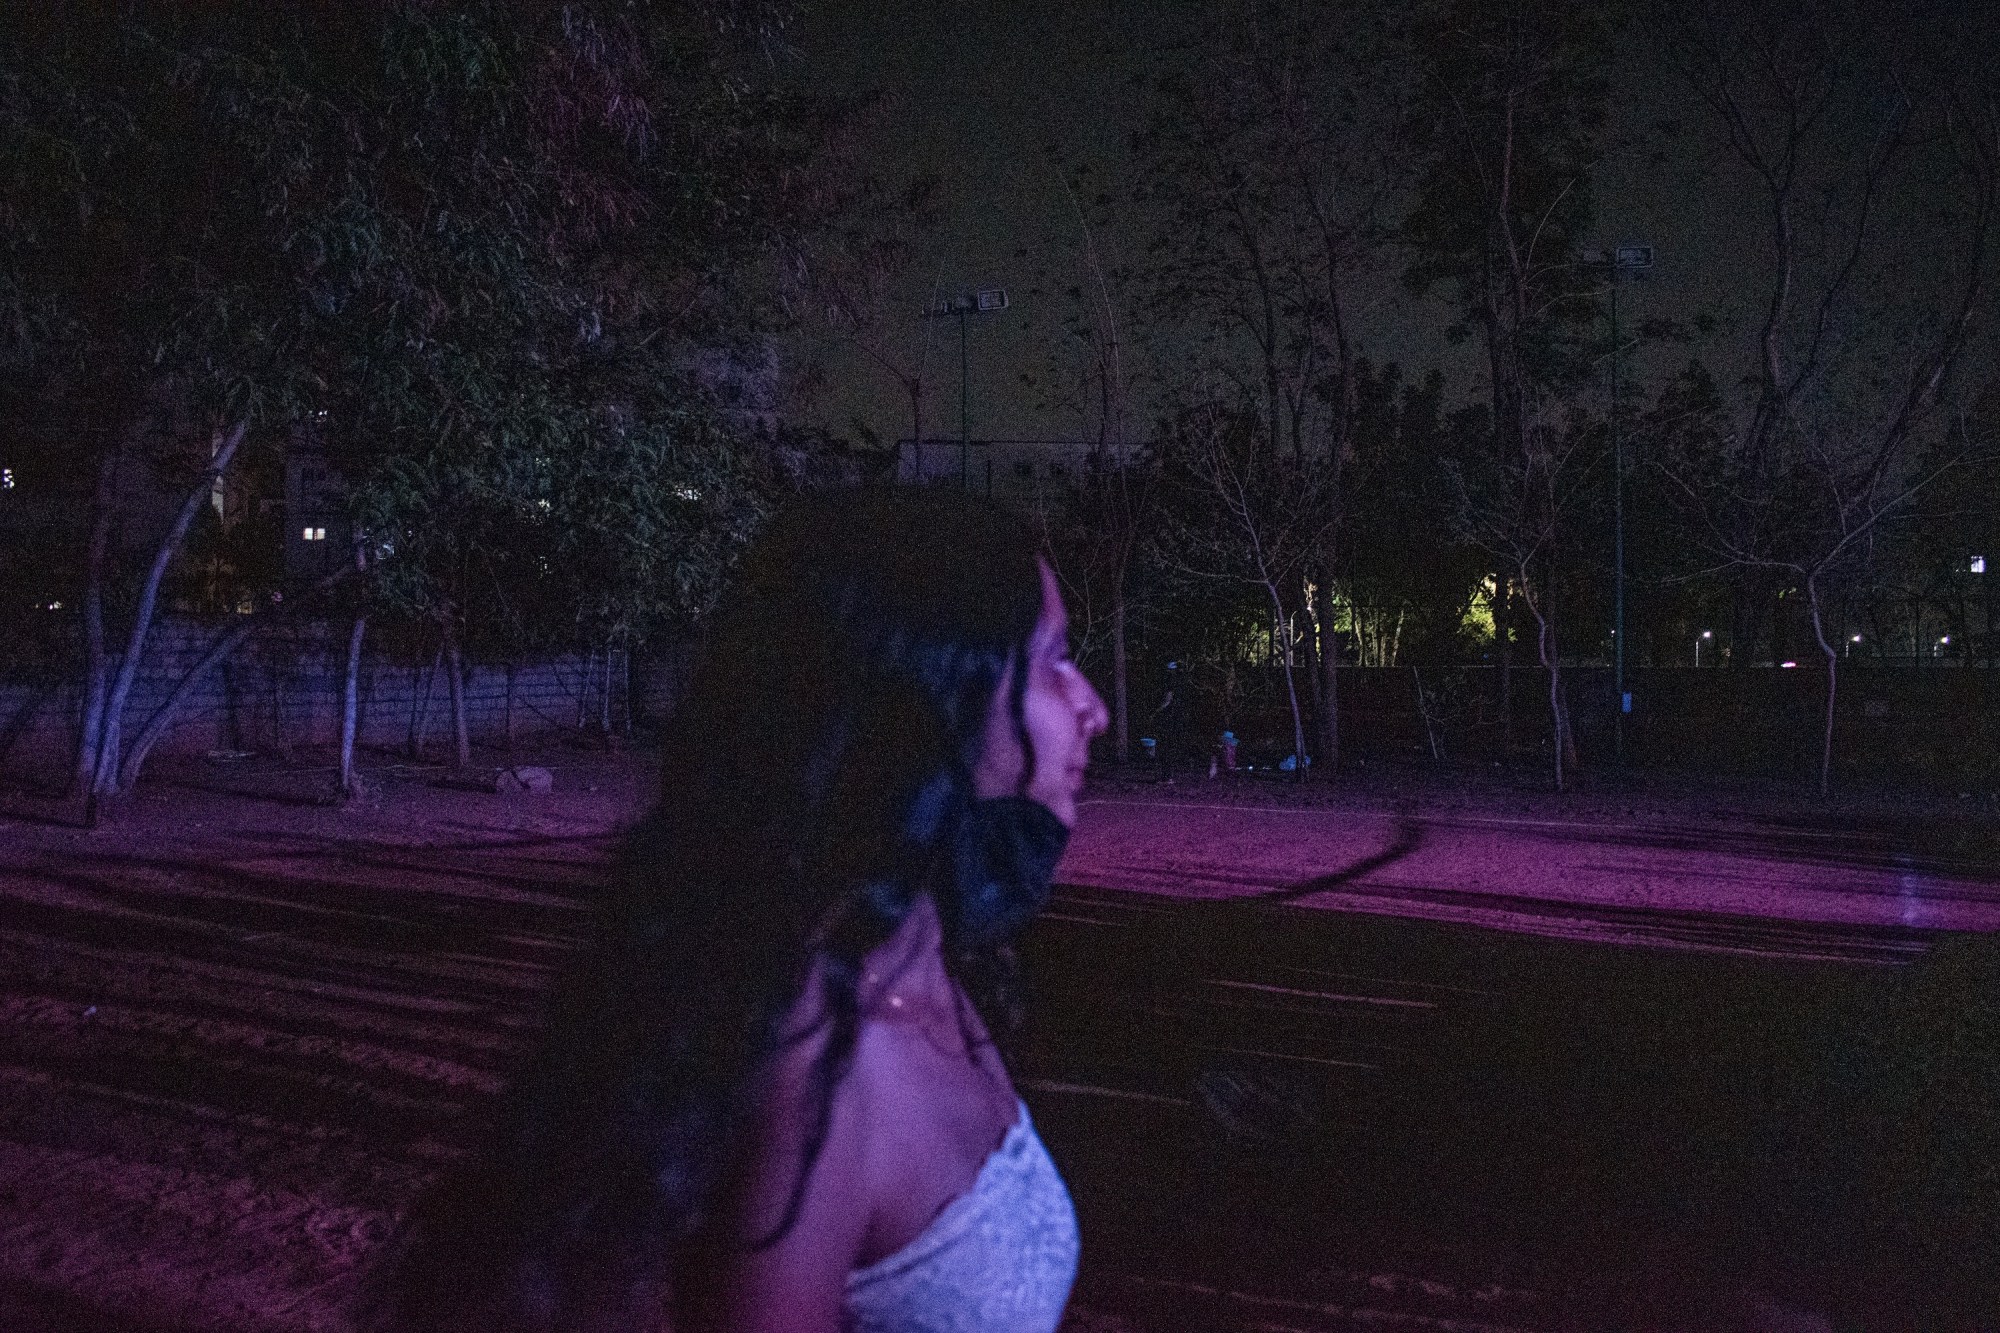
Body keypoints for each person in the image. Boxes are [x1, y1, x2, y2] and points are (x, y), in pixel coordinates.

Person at [361, 488, 1108, 1333]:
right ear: (932, 688)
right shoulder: (822, 1057)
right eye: (1053, 659)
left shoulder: (931, 962)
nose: (1093, 706)